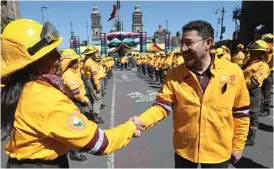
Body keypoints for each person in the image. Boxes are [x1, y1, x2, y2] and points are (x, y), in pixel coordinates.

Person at [1, 19, 144, 168]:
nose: (59, 57)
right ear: (33, 63)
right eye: (50, 53)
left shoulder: (20, 89)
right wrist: (130, 127)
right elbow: (101, 143)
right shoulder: (46, 98)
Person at [133, 20, 250, 168]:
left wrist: (238, 146)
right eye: (182, 43)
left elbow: (241, 113)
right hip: (185, 150)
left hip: (219, 151)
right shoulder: (175, 74)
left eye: (189, 43)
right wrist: (142, 122)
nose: (183, 48)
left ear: (208, 43)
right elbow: (161, 106)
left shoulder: (233, 72)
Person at [242, 40, 270, 146]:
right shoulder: (250, 62)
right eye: (252, 51)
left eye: (255, 51)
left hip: (253, 92)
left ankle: (250, 137)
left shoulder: (263, 66)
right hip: (243, 90)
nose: (252, 53)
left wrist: (239, 83)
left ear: (261, 53)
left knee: (253, 115)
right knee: (242, 113)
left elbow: (255, 81)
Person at [82, 49, 104, 123]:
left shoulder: (87, 61)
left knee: (92, 98)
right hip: (92, 81)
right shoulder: (90, 61)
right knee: (97, 98)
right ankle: (95, 116)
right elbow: (94, 74)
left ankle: (92, 115)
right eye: (94, 53)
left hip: (89, 80)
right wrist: (97, 84)